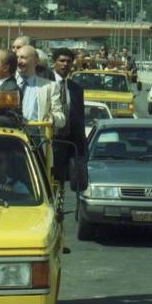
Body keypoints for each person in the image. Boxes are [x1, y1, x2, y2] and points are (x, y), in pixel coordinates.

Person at [51, 48, 86, 199]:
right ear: (54, 62)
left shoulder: (76, 89)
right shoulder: (44, 83)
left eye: (68, 61)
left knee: (62, 185)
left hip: (67, 144)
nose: (65, 64)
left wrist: (82, 150)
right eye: (62, 61)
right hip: (48, 142)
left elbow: (79, 120)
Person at [15, 45, 66, 130]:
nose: (18, 61)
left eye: (23, 58)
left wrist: (52, 118)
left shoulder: (50, 86)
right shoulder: (7, 83)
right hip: (11, 135)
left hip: (36, 136)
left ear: (35, 61)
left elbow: (61, 118)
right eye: (17, 57)